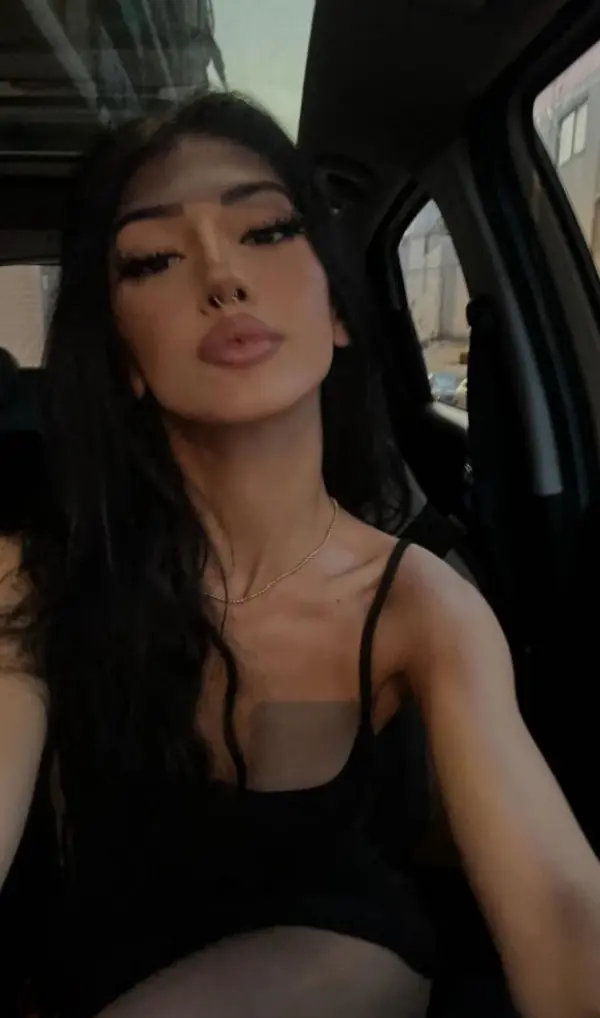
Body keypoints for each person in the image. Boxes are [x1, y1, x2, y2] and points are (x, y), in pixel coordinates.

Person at [0, 92, 599, 1018]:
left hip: (345, 959)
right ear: (122, 358)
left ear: (339, 311)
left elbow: (563, 909)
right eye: (154, 258)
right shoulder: (33, 574)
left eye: (268, 232)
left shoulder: (422, 606)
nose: (221, 277)